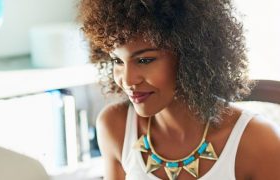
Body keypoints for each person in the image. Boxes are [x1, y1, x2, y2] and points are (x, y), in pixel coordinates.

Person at [78, 0, 280, 179]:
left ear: (190, 55)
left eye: (145, 60)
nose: (128, 80)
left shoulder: (258, 141)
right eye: (118, 61)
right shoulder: (115, 126)